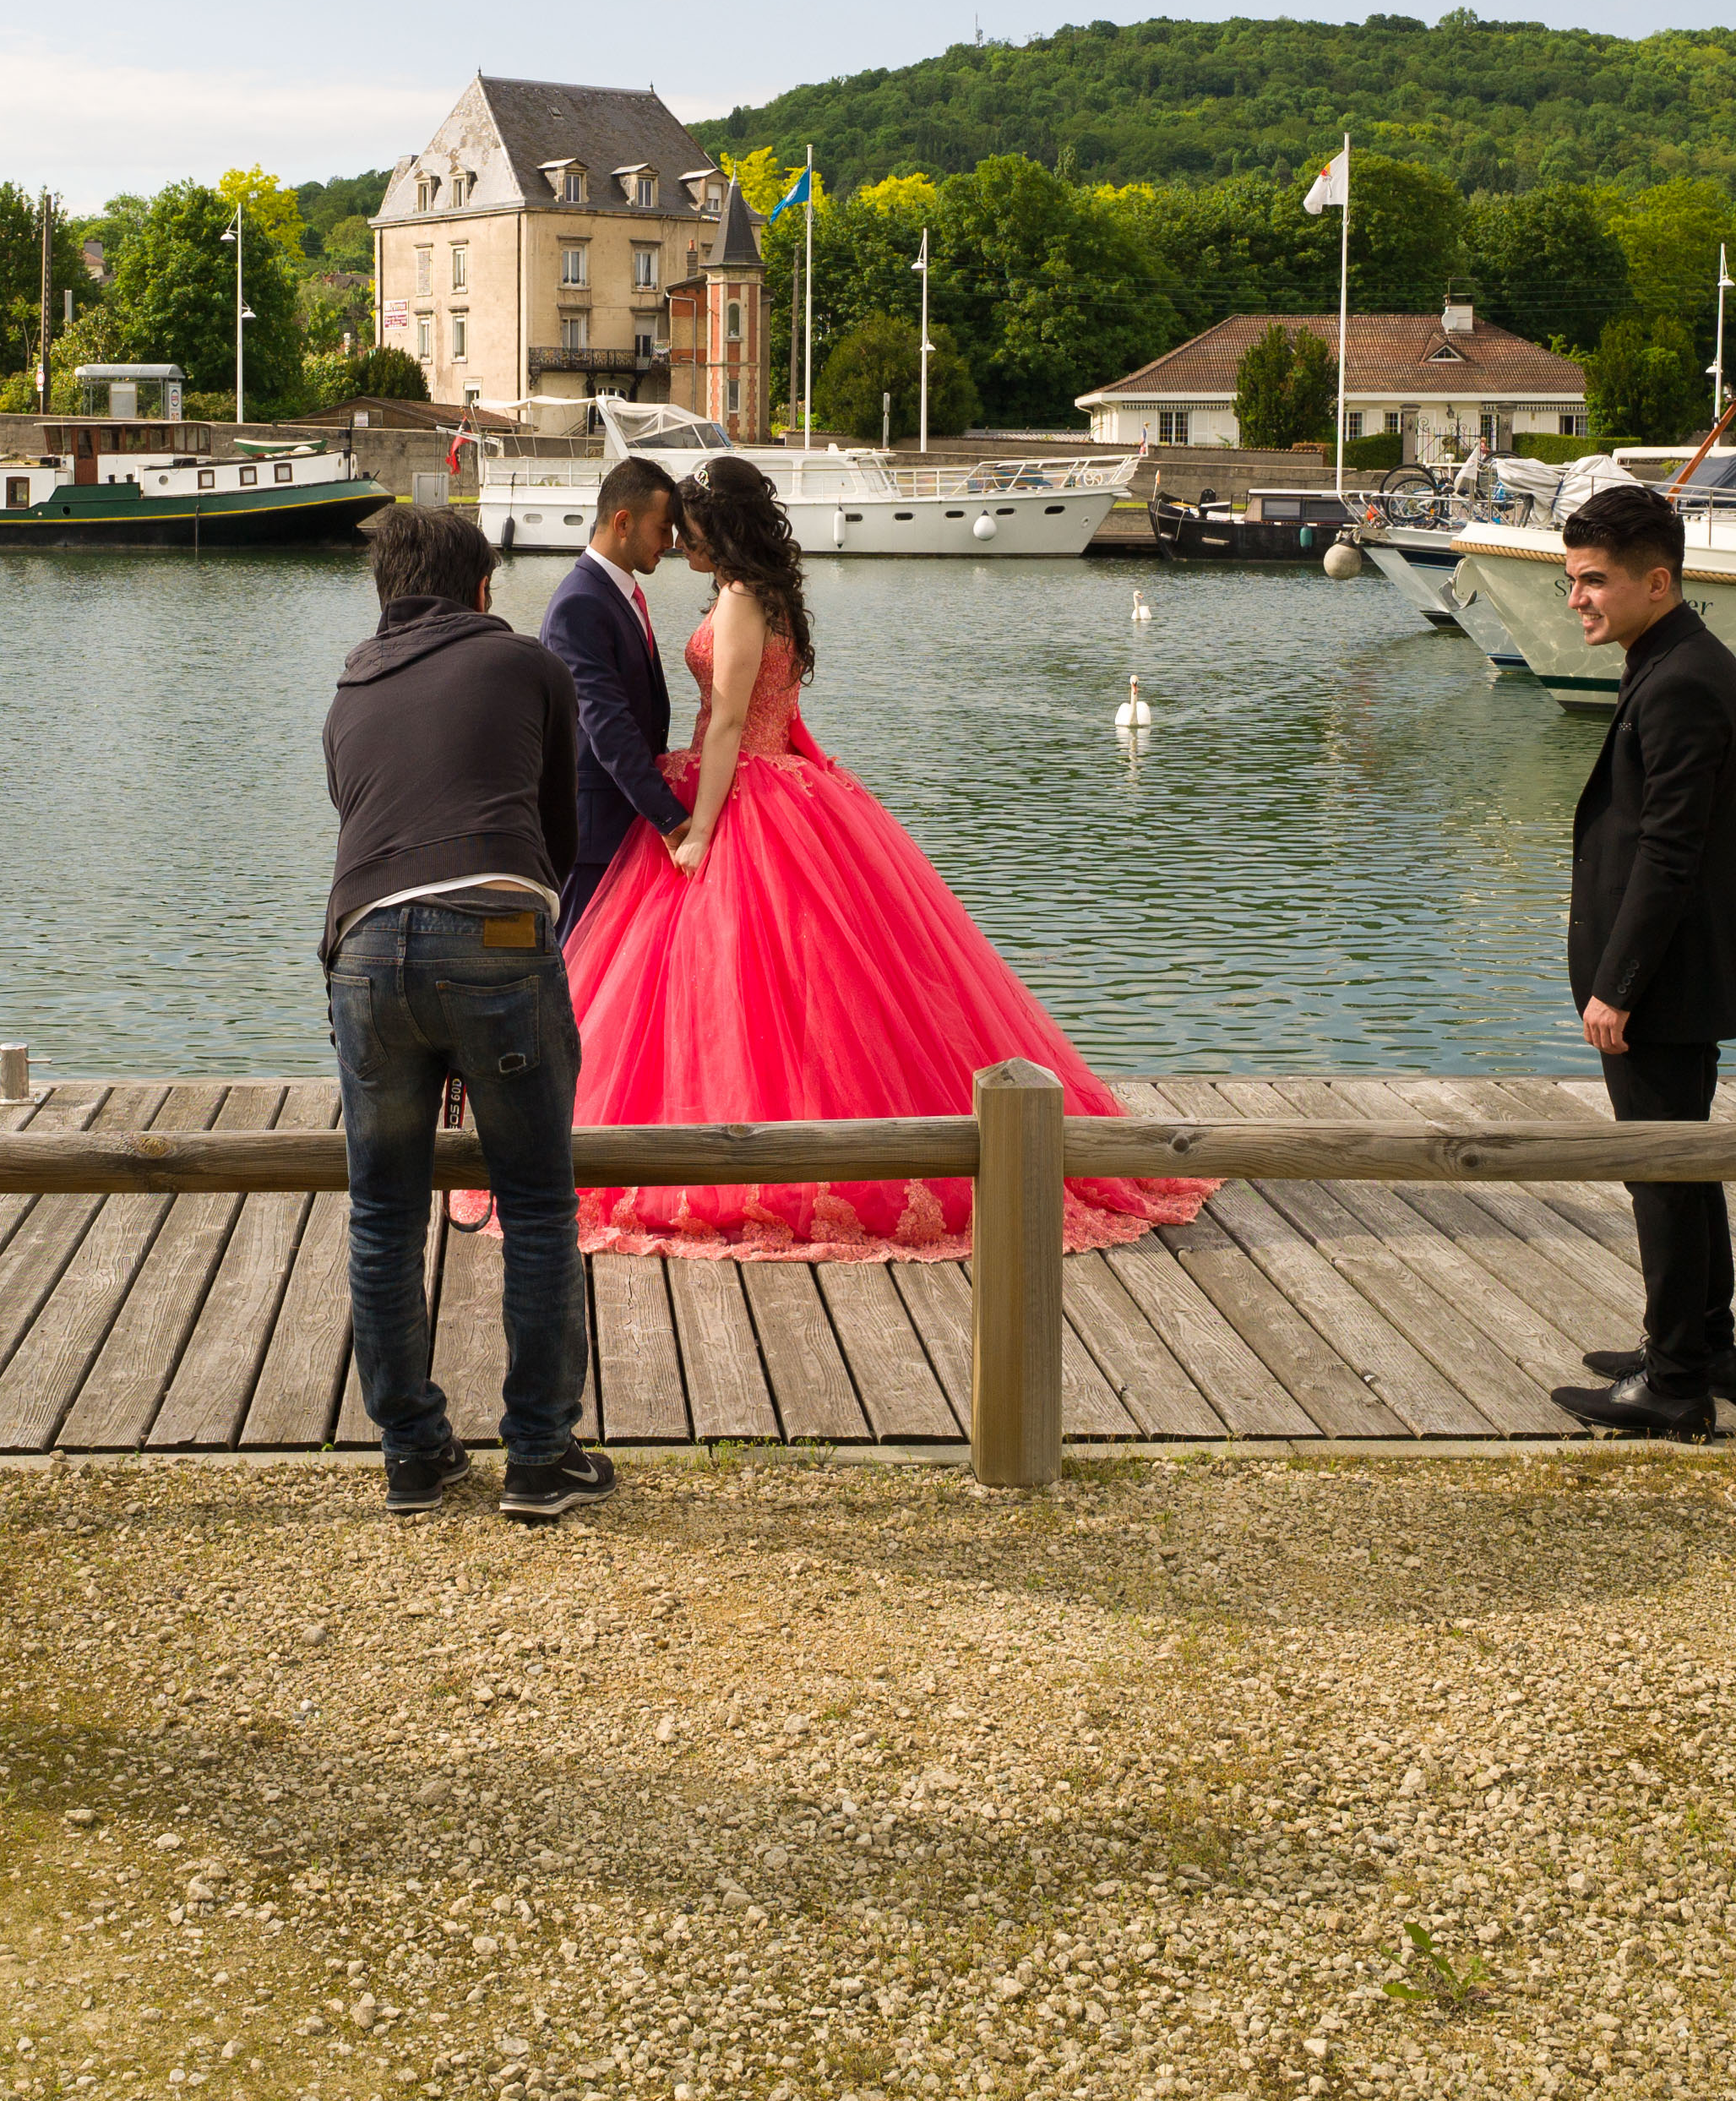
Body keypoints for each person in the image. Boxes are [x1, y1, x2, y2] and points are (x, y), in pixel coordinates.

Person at [558, 460, 1211, 1260]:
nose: (682, 545)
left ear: (720, 535)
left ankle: (756, 1153)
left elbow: (727, 723)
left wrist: (697, 828)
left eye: (692, 534)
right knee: (795, 982)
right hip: (778, 785)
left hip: (739, 791)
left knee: (743, 981)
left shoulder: (739, 600)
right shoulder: (765, 595)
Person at [319, 503, 618, 1522]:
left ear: (386, 594)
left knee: (382, 1212)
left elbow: (362, 822)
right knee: (535, 1202)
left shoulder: (350, 687)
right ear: (483, 588)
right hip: (495, 936)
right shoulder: (528, 664)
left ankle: (412, 1455)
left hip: (363, 949)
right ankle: (539, 1456)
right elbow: (560, 833)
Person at [1546, 482, 1736, 1440]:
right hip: (1678, 971)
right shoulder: (1674, 658)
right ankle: (1700, 1342)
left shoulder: (1681, 678)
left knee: (1660, 1168)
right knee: (1682, 1160)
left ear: (1657, 581)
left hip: (1665, 980)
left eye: (1593, 580)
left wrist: (1617, 987)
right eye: (1571, 581)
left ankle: (1676, 1381)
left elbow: (1670, 851)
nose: (1578, 599)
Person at [539, 456, 691, 938]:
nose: (671, 542)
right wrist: (670, 817)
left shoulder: (613, 593)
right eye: (663, 527)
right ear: (623, 523)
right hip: (594, 836)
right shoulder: (580, 603)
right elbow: (607, 725)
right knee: (580, 967)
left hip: (621, 825)